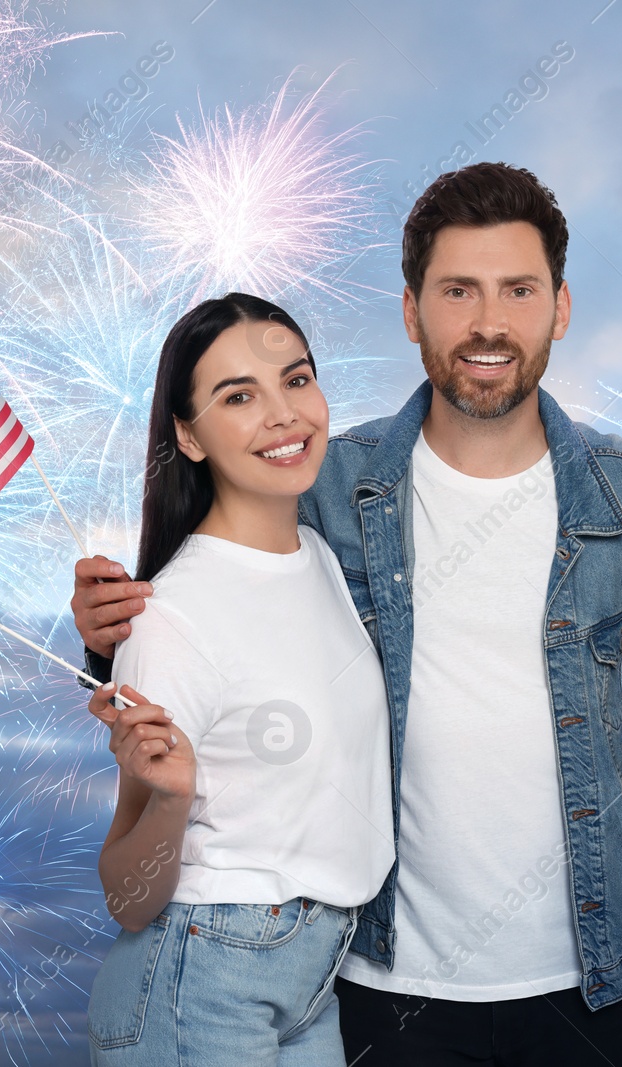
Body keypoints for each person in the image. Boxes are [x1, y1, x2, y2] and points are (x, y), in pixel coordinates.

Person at [72, 163, 622, 1066]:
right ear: (413, 312)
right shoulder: (325, 481)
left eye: (518, 290)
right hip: (382, 987)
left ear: (559, 309)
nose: (488, 322)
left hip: (590, 983)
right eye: (458, 291)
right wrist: (116, 621)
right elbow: (222, 573)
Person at [84, 293, 394, 1067]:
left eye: (297, 379)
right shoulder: (170, 616)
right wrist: (172, 796)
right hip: (200, 979)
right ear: (188, 436)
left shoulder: (321, 559)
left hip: (311, 979)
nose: (283, 414)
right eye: (239, 396)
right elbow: (128, 893)